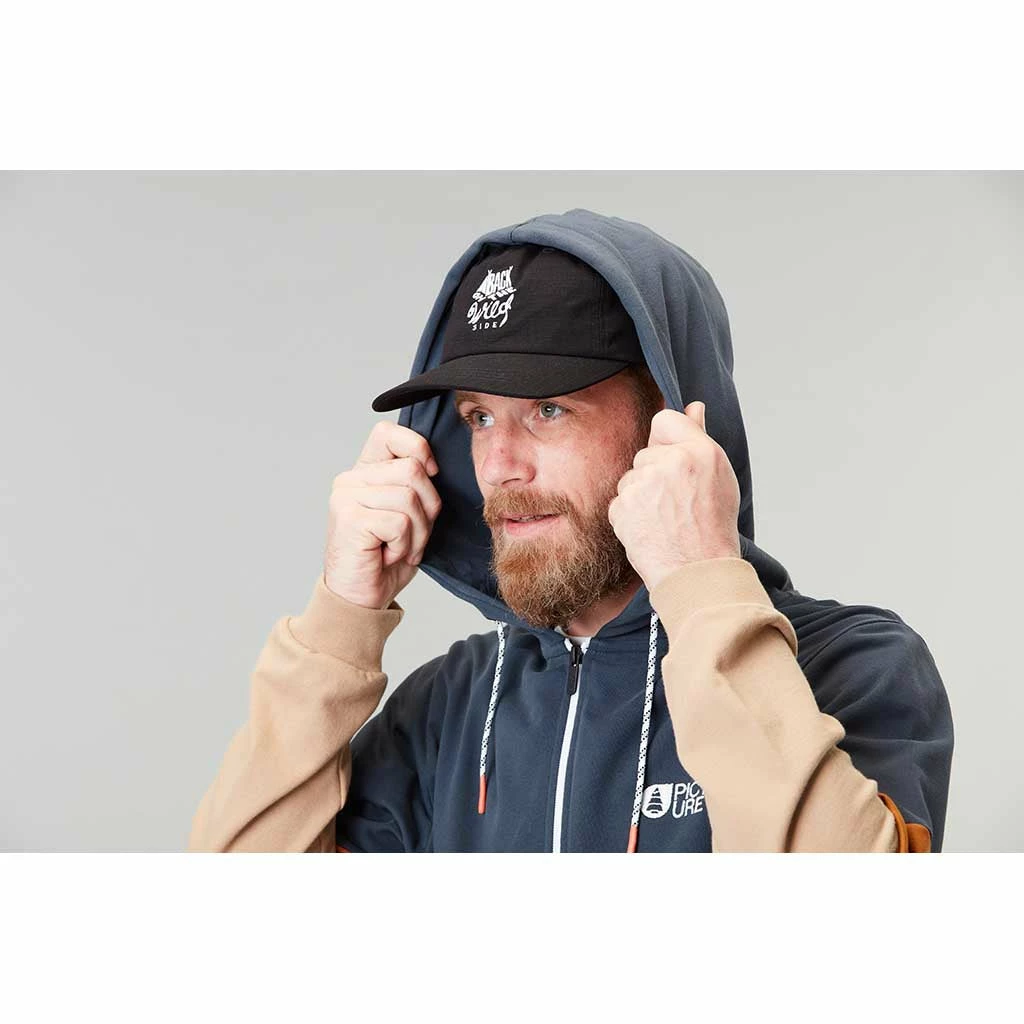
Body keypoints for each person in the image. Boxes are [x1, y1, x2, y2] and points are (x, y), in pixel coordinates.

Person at [188, 209, 954, 853]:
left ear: (672, 422)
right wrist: (340, 621)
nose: (499, 467)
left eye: (549, 410)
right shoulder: (449, 709)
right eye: (478, 417)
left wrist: (701, 586)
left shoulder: (849, 667)